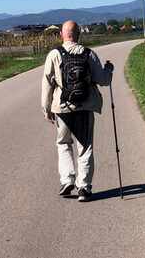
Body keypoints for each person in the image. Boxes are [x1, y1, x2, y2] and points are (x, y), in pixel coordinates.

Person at [41, 20, 113, 202]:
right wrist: (109, 70)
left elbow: (47, 83)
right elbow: (103, 80)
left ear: (62, 35)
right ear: (79, 35)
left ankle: (67, 180)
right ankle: (84, 188)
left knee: (64, 143)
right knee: (85, 146)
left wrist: (46, 107)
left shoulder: (54, 54)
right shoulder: (89, 54)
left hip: (62, 108)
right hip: (85, 106)